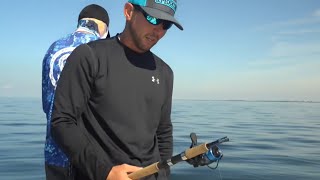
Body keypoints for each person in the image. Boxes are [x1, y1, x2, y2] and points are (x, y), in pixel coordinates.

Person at [51, 0, 183, 179]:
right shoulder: (89, 56)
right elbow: (62, 122)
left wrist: (163, 173)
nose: (158, 30)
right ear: (128, 12)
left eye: (166, 24)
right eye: (152, 18)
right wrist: (105, 172)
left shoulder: (165, 72)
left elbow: (163, 130)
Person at [41, 4, 111, 180]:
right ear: (105, 28)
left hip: (54, 154)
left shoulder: (53, 48)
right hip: (89, 159)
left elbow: (46, 103)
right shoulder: (101, 49)